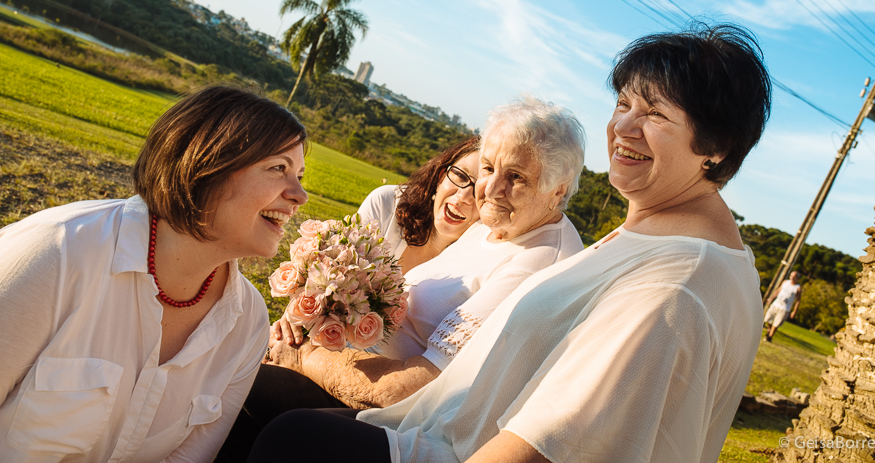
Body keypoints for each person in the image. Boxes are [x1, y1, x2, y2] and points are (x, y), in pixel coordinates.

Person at [246, 23, 773, 463]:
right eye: (624, 103)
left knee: (290, 438)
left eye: (656, 114)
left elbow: (556, 445)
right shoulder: (655, 236)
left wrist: (312, 363)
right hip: (433, 427)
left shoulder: (676, 286)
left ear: (717, 147)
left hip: (449, 449)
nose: (623, 127)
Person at [221, 96, 586, 460]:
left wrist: (304, 360)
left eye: (516, 177)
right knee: (233, 382)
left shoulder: (539, 262)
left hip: (409, 424)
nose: (490, 189)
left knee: (272, 418)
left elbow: (414, 388)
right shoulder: (499, 223)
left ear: (558, 190)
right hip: (363, 378)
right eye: (489, 168)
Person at [0, 85, 308, 462]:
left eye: (300, 175)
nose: (299, 195)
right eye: (279, 168)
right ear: (205, 165)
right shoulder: (58, 254)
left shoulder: (248, 324)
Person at [356, 135, 482, 272]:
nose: (463, 196)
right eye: (460, 175)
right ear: (440, 178)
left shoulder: (477, 265)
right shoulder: (386, 204)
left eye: (482, 191)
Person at [763, 271, 803, 341]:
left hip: (785, 308)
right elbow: (778, 291)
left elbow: (798, 301)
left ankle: (769, 337)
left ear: (797, 278)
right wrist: (771, 298)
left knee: (776, 324)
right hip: (776, 304)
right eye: (791, 275)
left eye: (794, 276)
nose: (792, 277)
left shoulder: (798, 288)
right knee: (767, 319)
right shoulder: (785, 282)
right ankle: (769, 329)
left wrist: (794, 311)